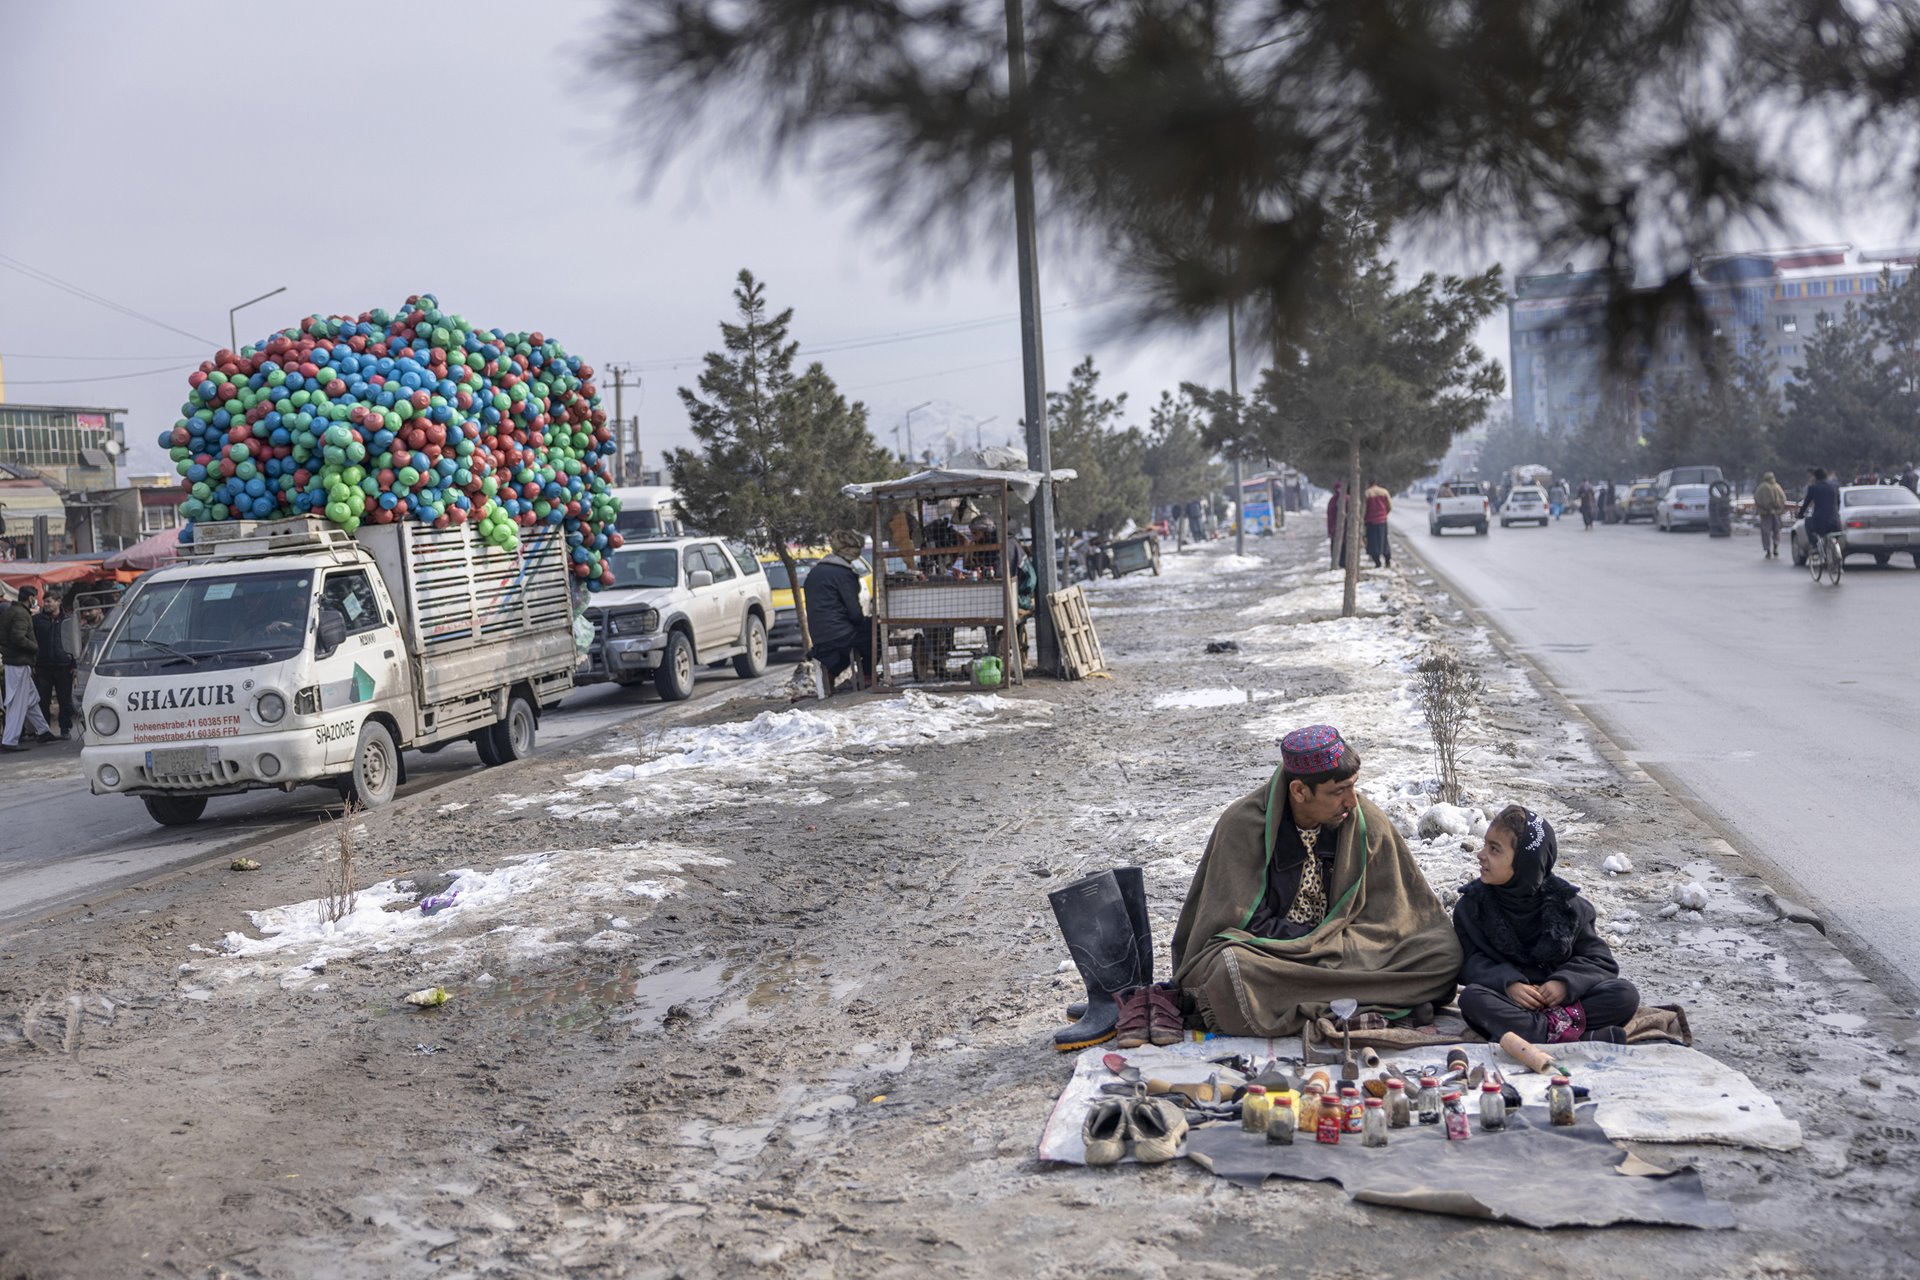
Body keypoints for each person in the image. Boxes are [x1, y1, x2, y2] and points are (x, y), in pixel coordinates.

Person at [1170, 726, 1462, 1036]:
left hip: (1350, 950)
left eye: (1353, 787)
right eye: (1338, 791)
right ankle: (1374, 1002)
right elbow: (1238, 923)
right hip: (1276, 955)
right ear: (1299, 791)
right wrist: (1315, 944)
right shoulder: (1242, 826)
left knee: (1443, 954)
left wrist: (1340, 946)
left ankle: (1323, 1002)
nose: (1351, 800)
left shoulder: (1365, 820)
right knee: (1230, 971)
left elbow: (1397, 916)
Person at [1454, 806, 1640, 1044]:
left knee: (1624, 995)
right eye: (1485, 845)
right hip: (1511, 1001)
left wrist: (1564, 984)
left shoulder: (1568, 907)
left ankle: (1538, 1032)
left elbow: (1600, 962)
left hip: (1565, 1003)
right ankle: (1577, 1036)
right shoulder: (1472, 908)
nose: (1481, 855)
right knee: (1472, 999)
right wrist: (1508, 983)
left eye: (1494, 849)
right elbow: (1469, 963)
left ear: (1524, 862)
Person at [802, 529, 871, 697]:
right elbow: (855, 613)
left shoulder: (816, 572)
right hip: (839, 632)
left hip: (819, 634)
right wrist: (865, 622)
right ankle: (868, 675)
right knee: (874, 633)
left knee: (844, 648)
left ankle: (832, 675)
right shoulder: (844, 574)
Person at [1, 586, 52, 753]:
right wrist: (35, 647)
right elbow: (18, 637)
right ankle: (10, 740)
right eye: (34, 597)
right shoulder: (21, 613)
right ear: (30, 598)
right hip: (19, 663)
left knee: (31, 699)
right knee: (18, 702)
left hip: (15, 661)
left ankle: (43, 731)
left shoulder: (12, 611)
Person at [33, 590, 76, 740]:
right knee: (43, 700)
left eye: (49, 601)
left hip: (64, 665)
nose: (46, 604)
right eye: (45, 601)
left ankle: (65, 729)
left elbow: (74, 642)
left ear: (58, 602)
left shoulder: (68, 620)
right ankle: (44, 731)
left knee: (65, 699)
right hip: (42, 666)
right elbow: (33, 641)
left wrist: (74, 664)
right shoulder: (37, 620)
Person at [1798, 466, 1842, 556]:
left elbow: (1806, 504)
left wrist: (1800, 514)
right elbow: (1838, 502)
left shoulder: (1813, 488)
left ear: (1815, 477)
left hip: (1820, 523)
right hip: (1835, 522)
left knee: (1807, 522)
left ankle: (1814, 546)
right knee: (1834, 534)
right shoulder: (1834, 486)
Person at [1753, 470, 1788, 559]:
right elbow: (1783, 498)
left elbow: (1757, 499)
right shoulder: (1777, 487)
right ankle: (1775, 547)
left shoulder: (1761, 488)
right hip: (1776, 513)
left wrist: (1763, 508)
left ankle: (1768, 550)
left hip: (1765, 514)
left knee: (1766, 532)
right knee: (1776, 531)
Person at [1362, 480, 1392, 567]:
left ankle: (1377, 561)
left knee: (1373, 542)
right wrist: (1384, 514)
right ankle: (1387, 559)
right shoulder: (1384, 492)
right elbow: (1389, 506)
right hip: (1382, 520)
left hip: (1370, 521)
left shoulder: (1367, 494)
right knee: (1384, 540)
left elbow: (1364, 508)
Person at [1326, 482, 1345, 569]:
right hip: (1343, 529)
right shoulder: (1346, 499)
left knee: (1336, 547)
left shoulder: (1332, 500)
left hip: (1334, 528)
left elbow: (1329, 517)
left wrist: (1330, 530)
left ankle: (1338, 562)